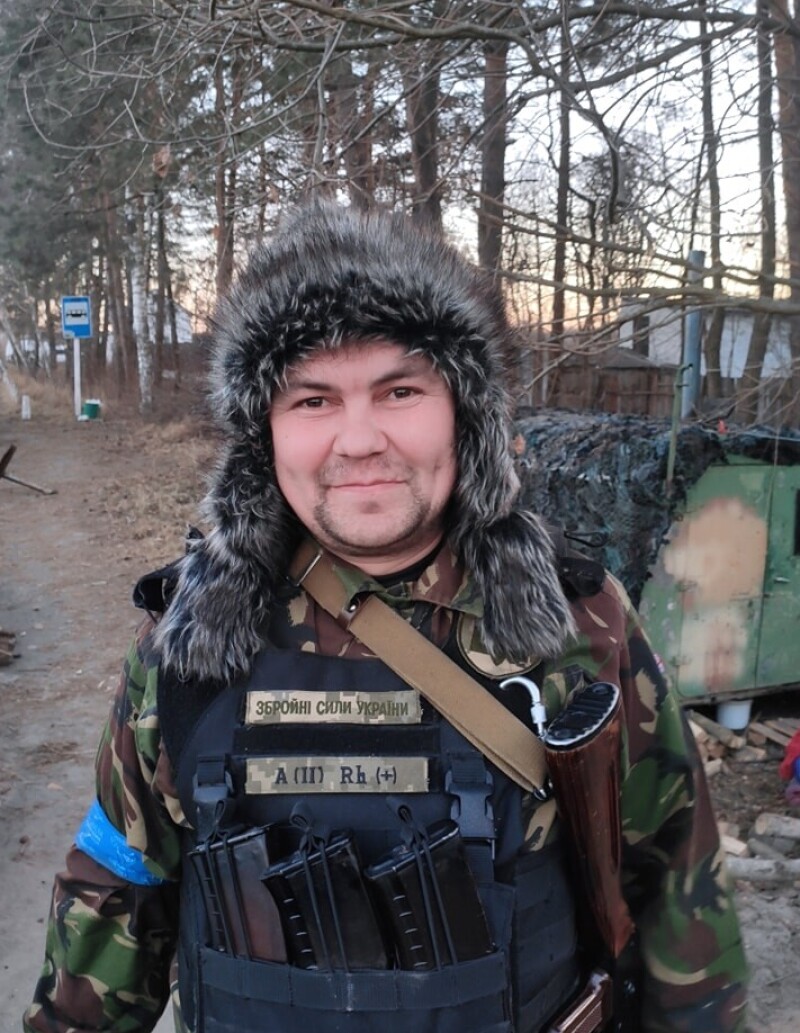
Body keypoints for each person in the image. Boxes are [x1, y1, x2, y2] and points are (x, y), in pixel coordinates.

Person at [24, 202, 747, 1033]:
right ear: (264, 434)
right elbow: (113, 895)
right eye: (313, 400)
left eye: (400, 391)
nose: (359, 440)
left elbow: (678, 890)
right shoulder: (191, 641)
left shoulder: (575, 624)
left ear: (463, 411)